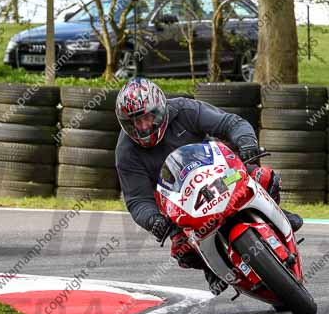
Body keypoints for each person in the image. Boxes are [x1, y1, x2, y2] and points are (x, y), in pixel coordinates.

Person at [115, 77, 303, 295]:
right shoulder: (126, 152)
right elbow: (137, 200)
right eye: (135, 122)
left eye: (147, 117)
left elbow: (230, 123)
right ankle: (210, 267)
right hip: (180, 205)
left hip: (222, 176)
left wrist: (246, 141)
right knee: (182, 248)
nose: (143, 126)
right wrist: (153, 220)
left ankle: (274, 216)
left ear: (159, 109)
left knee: (264, 177)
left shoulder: (185, 109)